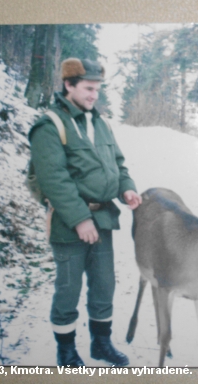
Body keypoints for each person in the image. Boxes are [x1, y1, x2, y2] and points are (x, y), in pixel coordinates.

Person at [28, 57, 142, 367]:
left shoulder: (100, 123)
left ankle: (101, 344)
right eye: (88, 89)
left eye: (98, 89)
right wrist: (80, 219)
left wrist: (126, 188)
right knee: (68, 289)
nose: (94, 95)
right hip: (69, 224)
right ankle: (65, 351)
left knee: (104, 285)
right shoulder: (49, 125)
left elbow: (117, 164)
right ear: (68, 85)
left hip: (103, 219)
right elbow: (54, 179)